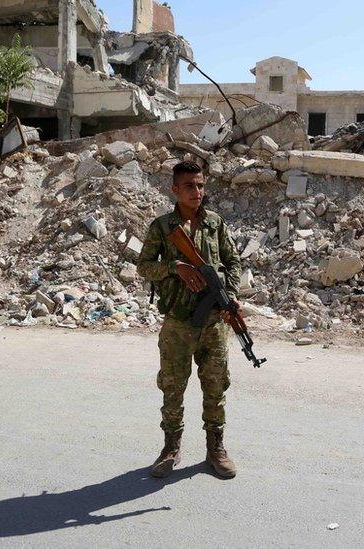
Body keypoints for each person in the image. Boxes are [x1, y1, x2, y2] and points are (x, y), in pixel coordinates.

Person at [136, 161, 243, 479]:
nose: (197, 192)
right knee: (173, 387)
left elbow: (233, 260)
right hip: (179, 323)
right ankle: (170, 448)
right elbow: (143, 265)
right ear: (174, 190)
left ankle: (215, 449)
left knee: (215, 388)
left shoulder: (215, 224)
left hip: (214, 323)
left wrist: (232, 292)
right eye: (189, 186)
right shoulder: (162, 227)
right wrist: (175, 267)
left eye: (200, 185)